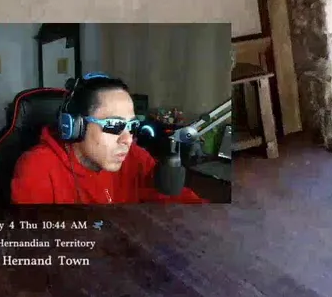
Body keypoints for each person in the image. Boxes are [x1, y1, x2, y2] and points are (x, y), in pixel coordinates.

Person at [10, 74, 204, 204]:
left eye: (132, 126)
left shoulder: (133, 156)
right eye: (114, 125)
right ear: (75, 126)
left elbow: (176, 198)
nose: (127, 140)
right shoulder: (37, 167)